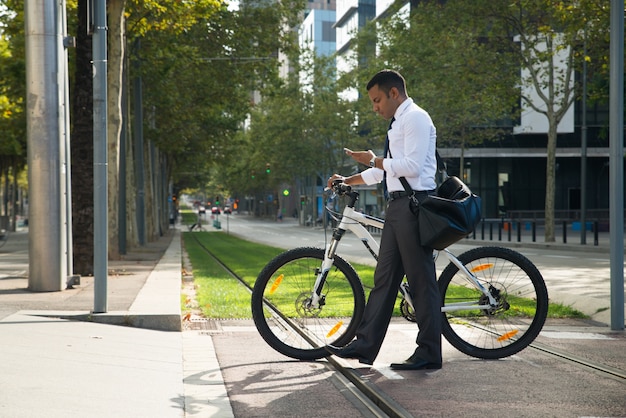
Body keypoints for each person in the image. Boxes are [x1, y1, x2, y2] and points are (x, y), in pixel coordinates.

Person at [325, 69, 441, 370]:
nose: (375, 107)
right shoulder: (397, 123)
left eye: (377, 100)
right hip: (398, 208)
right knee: (384, 279)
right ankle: (364, 345)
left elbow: (412, 167)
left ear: (393, 93)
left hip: (414, 207)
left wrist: (375, 159)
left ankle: (429, 353)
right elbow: (384, 171)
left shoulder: (415, 117)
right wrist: (348, 178)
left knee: (420, 282)